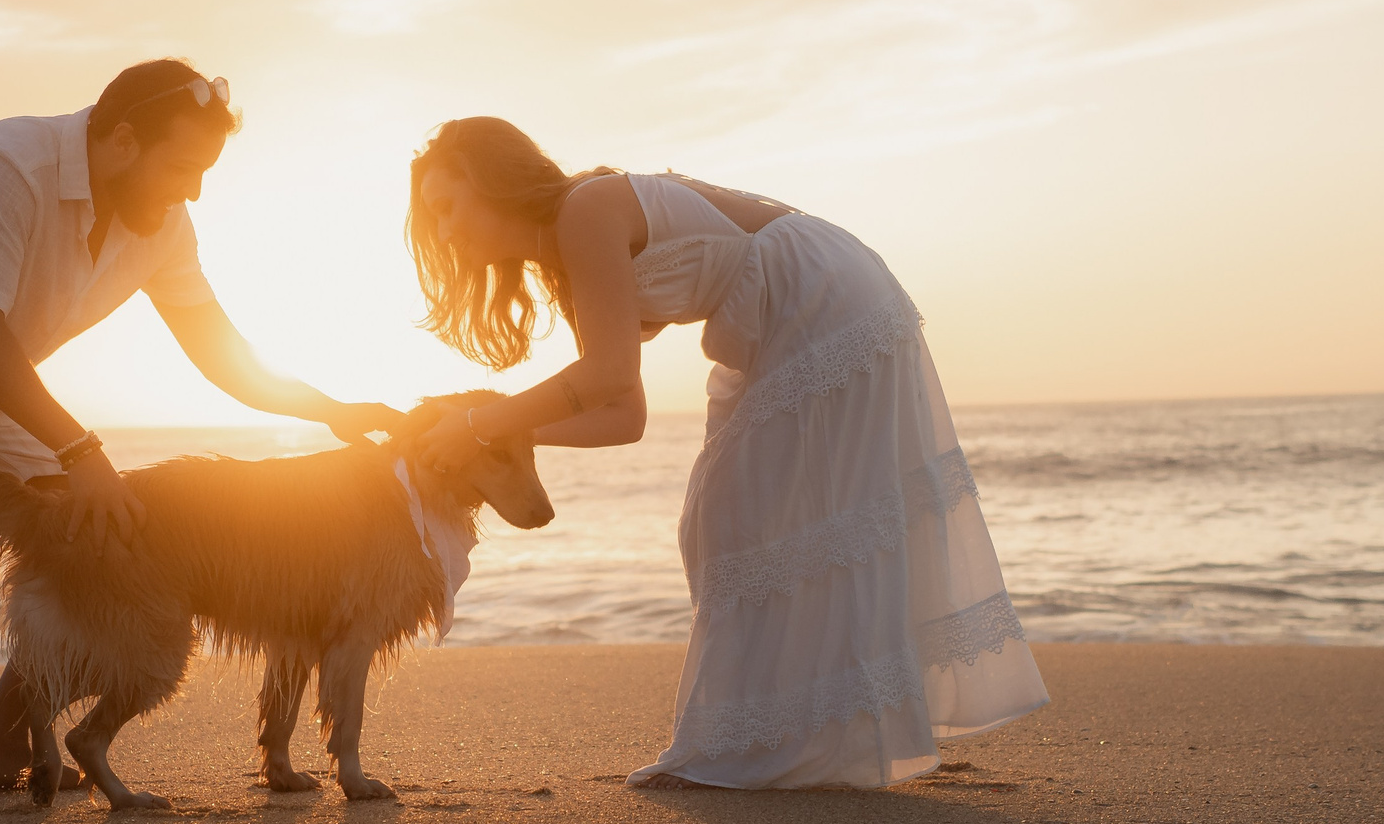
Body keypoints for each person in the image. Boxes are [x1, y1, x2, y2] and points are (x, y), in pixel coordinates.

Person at [0, 61, 404, 807]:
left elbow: (219, 349)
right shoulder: (9, 167)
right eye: (183, 166)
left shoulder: (162, 227)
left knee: (102, 541)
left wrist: (331, 410)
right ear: (122, 141)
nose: (192, 190)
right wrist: (81, 451)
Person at [405, 118, 1047, 788]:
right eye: (433, 220)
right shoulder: (568, 255)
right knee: (734, 520)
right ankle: (783, 734)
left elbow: (609, 375)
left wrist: (480, 422)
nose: (446, 232)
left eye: (448, 206)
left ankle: (778, 741)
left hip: (818, 290)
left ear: (492, 179)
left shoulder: (583, 208)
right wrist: (503, 435)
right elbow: (624, 416)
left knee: (738, 516)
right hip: (789, 307)